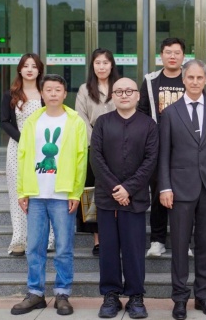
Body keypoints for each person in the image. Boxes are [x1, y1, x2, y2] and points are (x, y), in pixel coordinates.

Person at [158, 59, 206, 320]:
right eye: (190, 77)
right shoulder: (170, 113)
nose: (195, 82)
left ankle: (203, 296)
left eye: (200, 77)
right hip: (179, 189)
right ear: (183, 79)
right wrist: (164, 187)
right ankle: (180, 299)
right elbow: (164, 155)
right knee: (179, 246)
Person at [11, 74, 87, 317]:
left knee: (64, 247)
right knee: (34, 246)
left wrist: (76, 192)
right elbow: (23, 156)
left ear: (65, 94)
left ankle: (62, 293)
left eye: (58, 90)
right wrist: (22, 191)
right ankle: (35, 293)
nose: (53, 94)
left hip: (62, 194)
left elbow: (81, 159)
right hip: (36, 193)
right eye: (49, 90)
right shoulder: (33, 121)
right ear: (42, 94)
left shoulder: (74, 121)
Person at [92, 78, 159, 319]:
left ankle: (135, 296)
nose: (124, 95)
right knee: (108, 249)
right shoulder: (102, 122)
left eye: (129, 91)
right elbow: (96, 158)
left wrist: (128, 189)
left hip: (135, 198)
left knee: (133, 249)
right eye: (118, 91)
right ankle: (110, 295)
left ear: (138, 96)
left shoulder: (149, 125)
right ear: (112, 95)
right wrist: (115, 188)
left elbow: (151, 160)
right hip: (107, 197)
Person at [0, 53, 54, 256]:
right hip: (18, 148)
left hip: (44, 149)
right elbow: (4, 121)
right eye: (26, 66)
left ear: (39, 70)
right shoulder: (10, 95)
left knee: (44, 191)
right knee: (18, 192)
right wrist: (23, 140)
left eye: (34, 66)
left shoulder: (45, 93)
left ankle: (47, 238)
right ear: (20, 69)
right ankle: (19, 240)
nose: (30, 69)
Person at [137, 37, 187, 258]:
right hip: (157, 145)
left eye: (177, 52)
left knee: (184, 194)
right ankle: (157, 240)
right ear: (161, 55)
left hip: (185, 145)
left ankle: (183, 241)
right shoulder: (151, 80)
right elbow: (142, 111)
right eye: (168, 52)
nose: (172, 56)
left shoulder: (190, 77)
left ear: (183, 56)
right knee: (158, 193)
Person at [75, 48, 119, 256]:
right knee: (93, 192)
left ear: (112, 65)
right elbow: (81, 117)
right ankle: (98, 240)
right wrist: (97, 143)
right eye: (97, 63)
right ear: (92, 66)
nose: (101, 67)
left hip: (119, 145)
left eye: (105, 63)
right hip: (92, 146)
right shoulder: (85, 89)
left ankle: (117, 236)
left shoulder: (120, 86)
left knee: (116, 190)